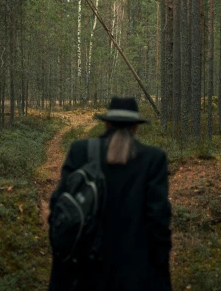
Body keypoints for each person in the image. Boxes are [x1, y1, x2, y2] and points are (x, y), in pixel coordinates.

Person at [48, 97, 172, 291]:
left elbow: (59, 205)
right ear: (135, 127)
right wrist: (160, 267)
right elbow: (158, 220)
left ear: (106, 123)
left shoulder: (80, 151)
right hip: (134, 273)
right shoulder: (153, 159)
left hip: (83, 273)